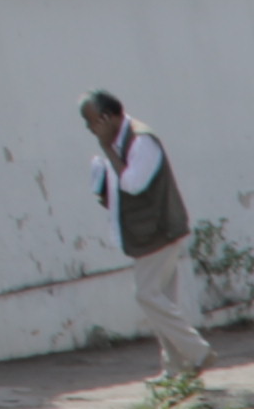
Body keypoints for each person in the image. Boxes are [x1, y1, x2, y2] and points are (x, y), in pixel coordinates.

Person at [79, 91, 201, 382]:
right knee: (163, 304)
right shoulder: (118, 141)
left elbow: (134, 183)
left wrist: (108, 152)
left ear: (107, 117)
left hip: (159, 231)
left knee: (147, 295)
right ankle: (176, 368)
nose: (89, 129)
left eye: (91, 122)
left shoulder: (141, 139)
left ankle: (196, 352)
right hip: (143, 234)